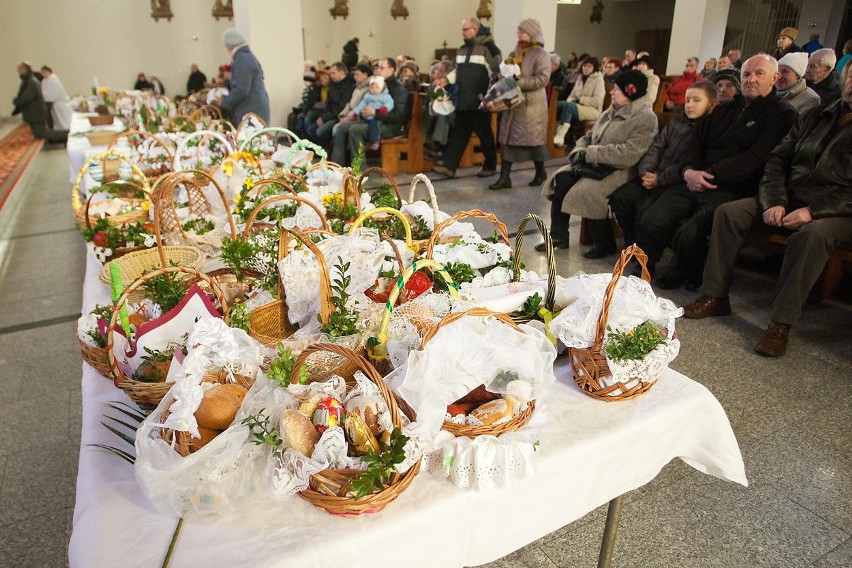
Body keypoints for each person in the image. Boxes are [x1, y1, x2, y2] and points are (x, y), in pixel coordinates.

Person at [682, 65, 852, 357]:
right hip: (791, 196)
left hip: (838, 210)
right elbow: (776, 159)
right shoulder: (817, 115)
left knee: (811, 235)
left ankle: (780, 323)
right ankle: (715, 295)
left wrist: (813, 210)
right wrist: (775, 199)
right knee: (729, 212)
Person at [638, 55, 797, 290]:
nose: (751, 79)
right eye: (746, 74)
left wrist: (710, 173)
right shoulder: (725, 108)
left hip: (733, 187)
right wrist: (689, 171)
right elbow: (694, 144)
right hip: (694, 179)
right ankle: (682, 265)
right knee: (652, 218)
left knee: (691, 232)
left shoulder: (782, 113)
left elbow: (757, 156)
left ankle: (684, 269)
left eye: (759, 73)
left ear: (774, 78)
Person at [538, 69, 657, 256]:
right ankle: (558, 236)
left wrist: (591, 153)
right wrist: (579, 151)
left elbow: (629, 153)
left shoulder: (646, 118)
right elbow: (589, 136)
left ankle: (604, 243)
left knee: (588, 191)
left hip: (620, 170)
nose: (612, 92)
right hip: (594, 163)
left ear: (630, 92)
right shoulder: (612, 110)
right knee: (562, 179)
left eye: (617, 89)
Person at [609, 81, 718, 259]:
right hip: (654, 176)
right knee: (620, 197)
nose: (690, 104)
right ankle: (631, 246)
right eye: (687, 100)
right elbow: (657, 147)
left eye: (696, 100)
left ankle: (647, 260)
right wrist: (647, 171)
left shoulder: (707, 128)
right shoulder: (677, 122)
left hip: (676, 183)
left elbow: (687, 164)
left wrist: (659, 178)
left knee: (646, 212)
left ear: (712, 104)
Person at [431, 16, 501, 179]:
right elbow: (456, 71)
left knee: (485, 135)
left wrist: (488, 95)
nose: (462, 33)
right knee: (459, 135)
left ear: (475, 29)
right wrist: (446, 80)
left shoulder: (488, 47)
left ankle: (490, 165)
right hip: (463, 100)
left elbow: (497, 71)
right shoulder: (462, 49)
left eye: (465, 29)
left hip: (479, 101)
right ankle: (449, 167)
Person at [488, 18, 550, 190]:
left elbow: (543, 79)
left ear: (532, 33)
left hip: (531, 106)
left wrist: (517, 80)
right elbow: (505, 68)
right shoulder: (516, 52)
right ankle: (505, 178)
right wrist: (502, 76)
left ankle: (541, 172)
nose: (519, 34)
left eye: (522, 31)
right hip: (514, 103)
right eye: (518, 31)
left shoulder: (541, 55)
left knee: (534, 142)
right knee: (508, 140)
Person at [330, 57, 407, 166]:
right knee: (342, 127)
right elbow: (365, 103)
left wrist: (375, 112)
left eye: (382, 68)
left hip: (389, 126)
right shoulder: (375, 85)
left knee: (355, 130)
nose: (378, 70)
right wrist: (362, 113)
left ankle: (360, 170)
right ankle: (336, 166)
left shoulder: (398, 89)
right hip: (371, 120)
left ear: (392, 69)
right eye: (377, 67)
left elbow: (398, 116)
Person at [218, 27, 270, 125]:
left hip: (250, 110)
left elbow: (241, 90)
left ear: (229, 46)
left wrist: (224, 102)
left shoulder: (241, 59)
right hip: (256, 107)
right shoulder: (247, 56)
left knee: (250, 139)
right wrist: (228, 81)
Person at [552, 56, 605, 147]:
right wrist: (570, 100)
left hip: (592, 109)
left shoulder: (598, 79)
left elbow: (598, 100)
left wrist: (580, 100)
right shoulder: (580, 78)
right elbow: (572, 95)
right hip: (577, 105)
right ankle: (551, 132)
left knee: (569, 107)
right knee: (558, 104)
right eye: (584, 66)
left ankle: (560, 136)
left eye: (589, 66)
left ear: (594, 67)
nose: (586, 68)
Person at [338, 75, 394, 151]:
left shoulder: (385, 96)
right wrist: (355, 113)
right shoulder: (367, 96)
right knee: (355, 125)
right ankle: (353, 147)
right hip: (366, 117)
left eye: (376, 87)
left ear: (381, 88)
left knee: (373, 127)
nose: (374, 90)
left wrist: (384, 108)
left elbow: (390, 103)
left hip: (376, 117)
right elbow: (361, 105)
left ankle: (374, 141)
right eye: (372, 88)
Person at [306, 62, 355, 145]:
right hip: (330, 114)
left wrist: (324, 118)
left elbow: (341, 107)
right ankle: (324, 149)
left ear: (342, 72)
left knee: (319, 132)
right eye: (330, 73)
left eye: (333, 73)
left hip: (339, 116)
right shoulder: (333, 85)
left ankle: (327, 149)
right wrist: (322, 117)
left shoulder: (349, 87)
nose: (331, 76)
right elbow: (328, 104)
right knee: (311, 129)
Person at [12, 62, 47, 139]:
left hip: (36, 113)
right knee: (38, 133)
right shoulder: (28, 80)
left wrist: (16, 101)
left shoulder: (31, 81)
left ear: (24, 69)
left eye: (19, 70)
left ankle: (64, 135)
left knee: (40, 133)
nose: (18, 72)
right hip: (34, 112)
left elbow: (26, 98)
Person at [39, 65, 72, 131]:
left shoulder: (53, 79)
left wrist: (47, 97)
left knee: (65, 120)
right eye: (42, 73)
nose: (44, 74)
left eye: (45, 72)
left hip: (59, 102)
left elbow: (54, 91)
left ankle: (67, 129)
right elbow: (43, 92)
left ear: (49, 71)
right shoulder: (44, 81)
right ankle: (61, 131)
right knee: (58, 120)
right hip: (52, 104)